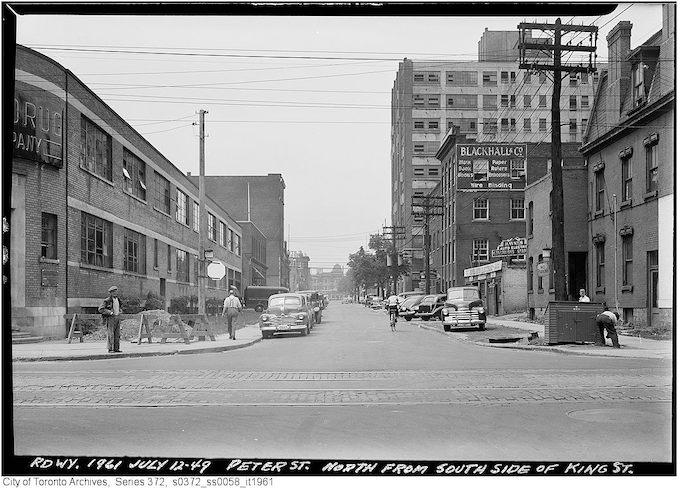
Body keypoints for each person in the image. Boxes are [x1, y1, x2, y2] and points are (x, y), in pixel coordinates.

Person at [99, 285, 122, 353]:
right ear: (111, 293)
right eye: (114, 292)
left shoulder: (118, 299)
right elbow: (101, 309)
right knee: (110, 333)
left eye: (116, 291)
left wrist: (120, 311)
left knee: (117, 334)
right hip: (111, 318)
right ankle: (110, 348)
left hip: (117, 317)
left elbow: (119, 307)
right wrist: (110, 312)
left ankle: (116, 348)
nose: (115, 293)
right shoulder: (107, 300)